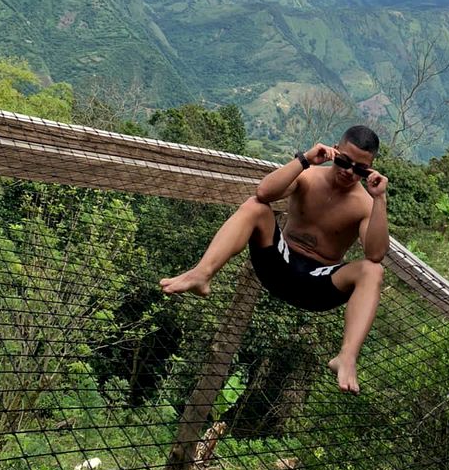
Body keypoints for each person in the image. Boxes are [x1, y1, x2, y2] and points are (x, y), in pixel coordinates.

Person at [160, 125, 389, 393]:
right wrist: (303, 160)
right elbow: (264, 192)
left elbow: (375, 254)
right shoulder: (309, 176)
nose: (349, 171)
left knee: (373, 271)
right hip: (278, 263)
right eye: (344, 161)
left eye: (360, 169)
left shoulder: (364, 204)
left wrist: (379, 200)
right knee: (255, 207)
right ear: (334, 151)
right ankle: (202, 274)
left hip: (317, 286)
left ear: (370, 170)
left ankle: (347, 356)